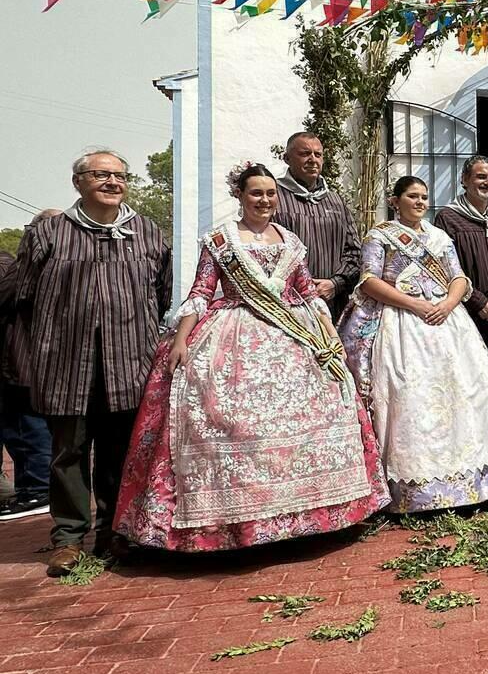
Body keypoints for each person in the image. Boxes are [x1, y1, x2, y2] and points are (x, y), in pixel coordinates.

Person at [115, 164, 388, 551]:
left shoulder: (291, 241)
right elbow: (200, 291)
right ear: (240, 195)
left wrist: (329, 336)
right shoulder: (221, 241)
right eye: (256, 193)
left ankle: (307, 514)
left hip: (295, 333)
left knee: (321, 408)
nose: (264, 200)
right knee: (227, 419)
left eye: (270, 193)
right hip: (232, 334)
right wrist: (181, 339)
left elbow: (307, 291)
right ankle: (235, 524)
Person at [13, 150, 171, 575]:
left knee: (120, 452)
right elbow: (23, 296)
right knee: (68, 452)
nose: (112, 183)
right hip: (65, 363)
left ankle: (114, 533)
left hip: (128, 362)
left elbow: (163, 294)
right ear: (78, 182)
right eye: (101, 175)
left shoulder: (147, 233)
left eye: (119, 176)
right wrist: (40, 350)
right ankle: (68, 538)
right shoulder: (49, 234)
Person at [340, 176, 488, 513]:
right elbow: (370, 280)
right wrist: (416, 305)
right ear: (396, 201)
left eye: (424, 197)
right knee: (410, 393)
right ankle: (415, 491)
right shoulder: (380, 235)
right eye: (412, 196)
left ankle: (471, 484)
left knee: (465, 392)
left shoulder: (439, 237)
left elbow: (458, 278)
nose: (420, 202)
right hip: (401, 321)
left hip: (447, 321)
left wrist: (448, 305)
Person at [433, 155, 488, 364]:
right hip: (466, 313)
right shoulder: (448, 218)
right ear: (464, 179)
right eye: (481, 177)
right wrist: (478, 301)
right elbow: (443, 267)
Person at [0, 211, 58, 521]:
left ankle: (37, 490)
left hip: (25, 361)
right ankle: (34, 489)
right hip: (41, 362)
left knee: (26, 428)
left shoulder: (23, 264)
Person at [273, 132, 361, 321]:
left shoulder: (335, 200)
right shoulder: (274, 198)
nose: (313, 160)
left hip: (333, 303)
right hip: (287, 305)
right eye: (305, 154)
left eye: (318, 154)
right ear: (287, 158)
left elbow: (354, 251)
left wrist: (335, 283)